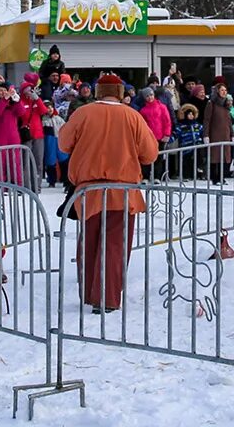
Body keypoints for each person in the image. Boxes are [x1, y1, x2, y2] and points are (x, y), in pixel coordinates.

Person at [59, 72, 157, 314]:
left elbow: (63, 144)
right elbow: (150, 154)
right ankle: (107, 297)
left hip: (88, 189)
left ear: (98, 92)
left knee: (89, 241)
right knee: (115, 244)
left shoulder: (83, 113)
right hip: (123, 189)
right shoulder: (132, 116)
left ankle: (89, 293)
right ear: (120, 93)